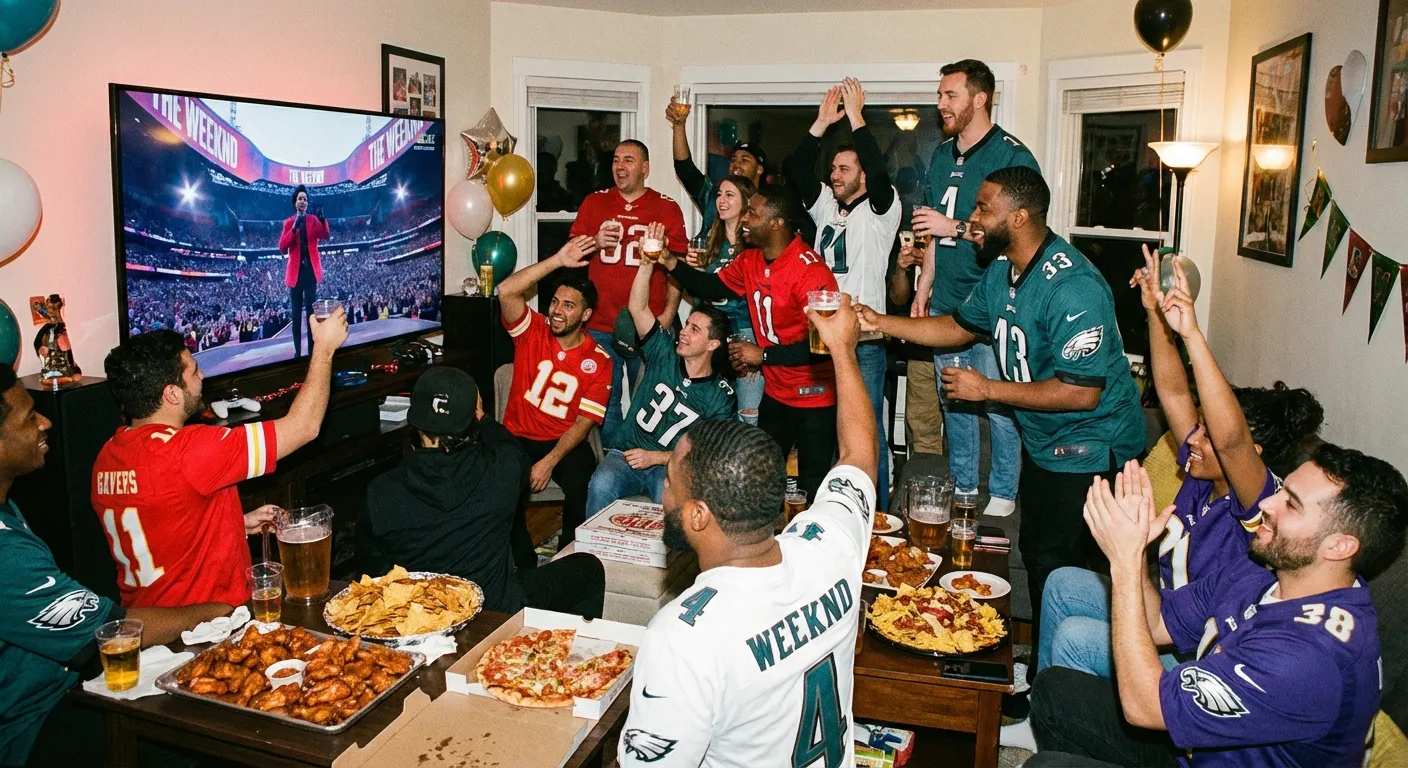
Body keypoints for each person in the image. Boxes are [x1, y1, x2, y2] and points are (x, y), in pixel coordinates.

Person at [855, 165, 1145, 683]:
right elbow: (958, 327)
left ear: (1020, 215)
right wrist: (880, 322)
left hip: (1091, 450)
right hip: (1046, 444)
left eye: (984, 207)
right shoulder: (1002, 269)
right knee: (1039, 558)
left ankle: (1067, 681)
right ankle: (1044, 669)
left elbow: (1082, 391)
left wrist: (987, 389)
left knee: (1064, 570)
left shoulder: (1074, 286)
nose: (973, 218)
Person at [1029, 248, 1324, 687]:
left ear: (1253, 455)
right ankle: (1047, 705)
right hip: (1165, 615)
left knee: (1077, 637)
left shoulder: (1260, 506)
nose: (1194, 439)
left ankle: (1083, 723)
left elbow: (1231, 438)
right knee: (1063, 582)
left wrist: (1191, 333)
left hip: (1198, 656)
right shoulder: (1203, 469)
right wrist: (1154, 312)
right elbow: (1172, 392)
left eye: (1206, 433)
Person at [618, 293, 877, 767]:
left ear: (698, 515)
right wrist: (843, 349)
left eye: (671, 482)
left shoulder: (681, 638)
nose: (663, 496)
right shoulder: (830, 547)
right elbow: (859, 456)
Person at [1027, 447, 1408, 767]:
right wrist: (1138, 547)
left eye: (1291, 504)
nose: (1268, 503)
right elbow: (1160, 623)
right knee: (1056, 692)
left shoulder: (1309, 657)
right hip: (1196, 747)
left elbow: (1145, 707)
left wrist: (1124, 563)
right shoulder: (1267, 565)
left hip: (1194, 744)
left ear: (1339, 547)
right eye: (1283, 490)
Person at [0, 363, 232, 767]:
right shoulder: (5, 554)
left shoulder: (10, 509)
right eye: (28, 417)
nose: (45, 422)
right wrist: (221, 612)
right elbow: (108, 634)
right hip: (29, 727)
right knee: (207, 734)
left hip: (57, 691)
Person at [92, 312, 348, 608]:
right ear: (172, 394)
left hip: (150, 624)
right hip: (207, 624)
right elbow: (304, 427)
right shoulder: (191, 449)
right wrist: (325, 348)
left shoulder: (108, 455)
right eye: (194, 371)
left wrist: (233, 525)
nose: (202, 376)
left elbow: (161, 531)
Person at [360, 367, 606, 619]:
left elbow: (375, 575)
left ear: (414, 422)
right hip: (496, 617)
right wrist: (484, 419)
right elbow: (511, 447)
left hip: (425, 620)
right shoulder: (503, 470)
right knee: (589, 568)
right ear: (472, 419)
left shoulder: (378, 492)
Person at [911, 59, 1041, 519]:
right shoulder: (942, 155)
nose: (940, 103)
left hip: (993, 305)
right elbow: (931, 229)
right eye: (940, 95)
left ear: (979, 98)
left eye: (950, 95)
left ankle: (1004, 492)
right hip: (947, 303)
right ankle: (964, 485)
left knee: (997, 401)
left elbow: (1018, 234)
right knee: (956, 401)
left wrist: (955, 226)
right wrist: (924, 284)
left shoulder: (1010, 156)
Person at [657, 184, 841, 505]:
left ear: (777, 223)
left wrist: (763, 354)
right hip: (777, 392)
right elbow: (712, 287)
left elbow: (823, 347)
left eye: (752, 213)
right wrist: (671, 263)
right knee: (761, 477)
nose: (745, 218)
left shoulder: (812, 272)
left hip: (814, 398)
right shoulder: (751, 259)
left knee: (812, 488)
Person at [787, 78, 902, 509]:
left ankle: (878, 520)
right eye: (833, 169)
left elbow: (879, 167)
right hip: (820, 341)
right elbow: (796, 171)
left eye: (844, 169)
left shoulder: (881, 212)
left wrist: (856, 119)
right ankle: (833, 513)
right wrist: (820, 123)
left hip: (864, 342)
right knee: (828, 432)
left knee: (866, 432)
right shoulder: (825, 206)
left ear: (864, 177)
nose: (834, 176)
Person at [585, 246, 737, 517]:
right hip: (626, 453)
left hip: (671, 464)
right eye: (687, 324)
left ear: (713, 344)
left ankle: (665, 560)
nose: (684, 333)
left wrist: (657, 458)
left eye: (694, 329)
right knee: (601, 483)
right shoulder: (664, 352)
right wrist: (646, 263)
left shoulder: (720, 394)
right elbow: (637, 308)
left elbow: (707, 452)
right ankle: (593, 555)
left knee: (668, 501)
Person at [498, 235, 613, 564]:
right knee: (503, 482)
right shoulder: (532, 330)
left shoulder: (599, 359)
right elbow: (506, 291)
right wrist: (558, 260)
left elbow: (584, 423)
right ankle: (521, 563)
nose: (557, 311)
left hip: (560, 440)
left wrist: (550, 460)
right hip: (517, 434)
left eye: (568, 305)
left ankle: (568, 556)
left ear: (586, 314)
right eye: (555, 302)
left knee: (585, 480)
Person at [568, 140, 688, 449]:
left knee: (646, 402)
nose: (620, 166)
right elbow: (571, 255)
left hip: (646, 325)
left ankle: (640, 460)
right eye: (616, 160)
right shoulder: (594, 203)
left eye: (629, 160)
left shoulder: (666, 207)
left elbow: (679, 269)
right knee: (605, 404)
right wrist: (594, 240)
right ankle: (613, 460)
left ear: (645, 168)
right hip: (600, 323)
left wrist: (669, 315)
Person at [682, 176, 763, 424]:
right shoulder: (708, 240)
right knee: (706, 407)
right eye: (719, 194)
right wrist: (690, 271)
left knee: (747, 413)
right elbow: (697, 293)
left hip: (744, 331)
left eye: (730, 195)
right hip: (712, 332)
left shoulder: (755, 244)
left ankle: (747, 460)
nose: (721, 200)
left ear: (746, 202)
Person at [667, 96, 767, 237]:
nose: (736, 163)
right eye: (733, 159)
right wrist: (678, 125)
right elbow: (684, 169)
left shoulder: (764, 205)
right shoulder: (714, 196)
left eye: (744, 160)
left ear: (759, 169)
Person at [279, 184, 331, 359]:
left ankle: (311, 352)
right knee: (296, 316)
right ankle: (297, 352)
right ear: (295, 202)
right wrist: (294, 227)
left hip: (310, 274)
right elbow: (282, 247)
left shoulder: (312, 220)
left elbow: (324, 235)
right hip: (295, 275)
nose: (303, 201)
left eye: (305, 199)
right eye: (300, 198)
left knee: (311, 316)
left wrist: (323, 219)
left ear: (308, 203)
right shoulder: (288, 223)